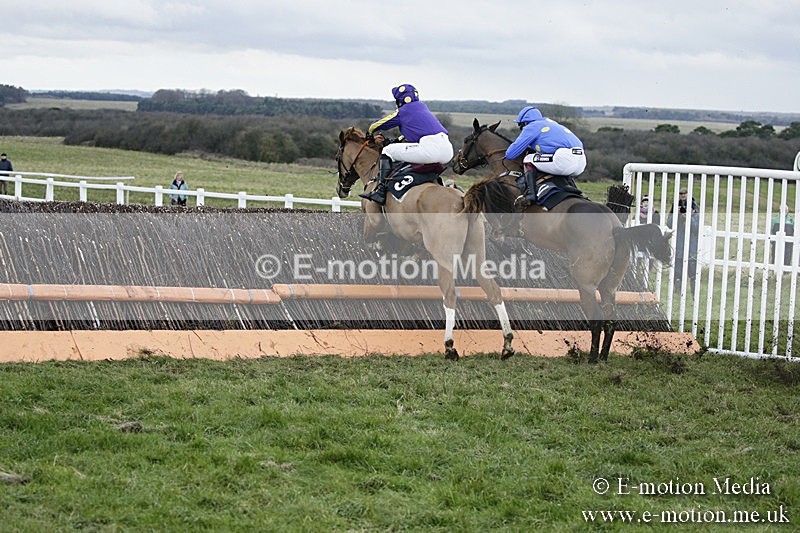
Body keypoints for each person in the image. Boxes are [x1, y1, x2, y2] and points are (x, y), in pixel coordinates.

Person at [359, 84, 453, 205]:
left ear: (400, 100)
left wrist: (370, 132)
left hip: (429, 148)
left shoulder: (404, 110)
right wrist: (397, 140)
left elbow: (377, 125)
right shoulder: (423, 108)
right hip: (447, 150)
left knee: (388, 151)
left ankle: (380, 191)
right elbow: (415, 132)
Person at [504, 106, 586, 210]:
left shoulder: (532, 126)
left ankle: (531, 194)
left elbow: (510, 154)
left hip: (564, 159)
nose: (522, 129)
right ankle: (574, 190)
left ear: (525, 123)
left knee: (528, 158)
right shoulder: (550, 122)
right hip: (581, 162)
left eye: (521, 126)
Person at [668, 193, 700, 293]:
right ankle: (677, 293)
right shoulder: (676, 213)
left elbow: (697, 229)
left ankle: (694, 293)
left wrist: (689, 217)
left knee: (693, 273)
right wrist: (677, 215)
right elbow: (669, 224)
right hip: (678, 248)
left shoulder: (696, 215)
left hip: (692, 250)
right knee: (677, 273)